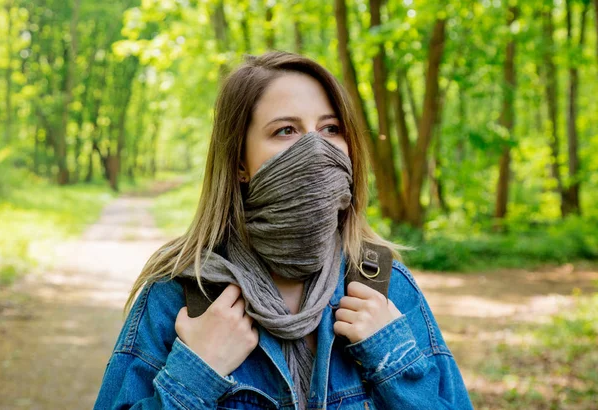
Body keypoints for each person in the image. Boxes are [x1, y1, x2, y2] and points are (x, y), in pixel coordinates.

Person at [94, 51, 474, 410]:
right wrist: (197, 371)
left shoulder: (383, 288)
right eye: (286, 130)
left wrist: (393, 357)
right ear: (239, 162)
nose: (315, 147)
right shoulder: (177, 297)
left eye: (331, 128)